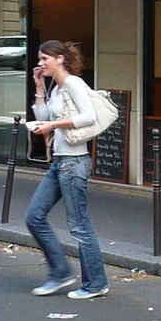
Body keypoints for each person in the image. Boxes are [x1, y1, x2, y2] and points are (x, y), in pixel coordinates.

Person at [24, 40, 108, 299]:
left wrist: (53, 126)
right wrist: (39, 88)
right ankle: (61, 272)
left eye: (44, 59)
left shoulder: (73, 83)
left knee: (79, 226)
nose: (40, 64)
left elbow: (89, 117)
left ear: (60, 59)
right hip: (60, 162)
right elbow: (45, 116)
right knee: (33, 216)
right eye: (39, 60)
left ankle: (95, 284)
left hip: (74, 162)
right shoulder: (58, 88)